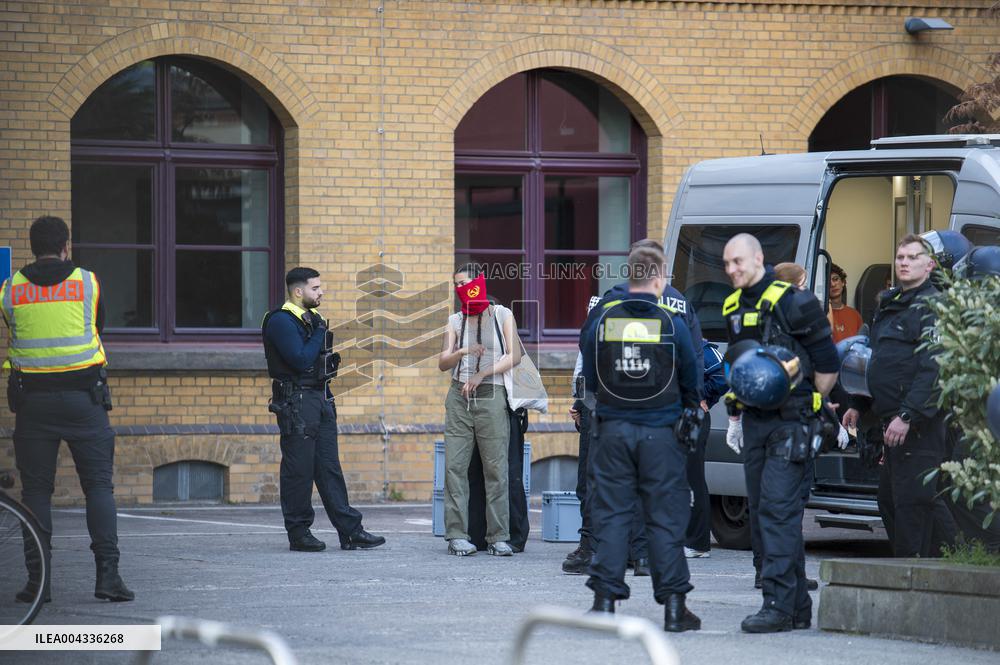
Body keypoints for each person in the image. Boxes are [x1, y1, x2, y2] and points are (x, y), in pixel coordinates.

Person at [1, 215, 133, 603]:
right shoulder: (86, 282)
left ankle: (37, 584)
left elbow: (15, 329)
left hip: (33, 404)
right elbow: (99, 324)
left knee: (36, 492)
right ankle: (108, 579)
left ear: (32, 246)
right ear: (66, 246)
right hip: (84, 402)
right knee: (98, 488)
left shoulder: (11, 289)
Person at [563, 239, 704, 576]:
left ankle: (595, 550)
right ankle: (643, 556)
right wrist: (692, 404)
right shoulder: (679, 306)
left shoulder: (610, 301)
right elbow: (694, 358)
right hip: (662, 412)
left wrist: (588, 397)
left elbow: (588, 347)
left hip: (612, 409)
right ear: (661, 270)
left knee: (604, 483)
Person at [722, 233, 839, 633]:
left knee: (777, 511)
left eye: (738, 261)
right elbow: (740, 365)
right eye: (727, 264)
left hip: (792, 423)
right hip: (754, 422)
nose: (732, 270)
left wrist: (807, 407)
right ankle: (798, 606)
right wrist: (736, 415)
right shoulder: (733, 306)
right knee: (765, 512)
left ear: (758, 258)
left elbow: (827, 364)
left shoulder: (796, 302)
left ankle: (776, 603)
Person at [842, 236, 953, 557]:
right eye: (901, 256)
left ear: (929, 265)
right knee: (891, 500)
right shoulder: (890, 304)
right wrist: (859, 405)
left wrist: (908, 416)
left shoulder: (933, 306)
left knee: (912, 503)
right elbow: (876, 359)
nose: (904, 262)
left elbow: (934, 369)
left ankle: (915, 572)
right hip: (891, 422)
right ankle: (936, 563)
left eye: (913, 257)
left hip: (917, 425)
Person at [262, 267, 385, 552]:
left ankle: (350, 531)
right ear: (298, 291)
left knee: (329, 468)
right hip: (296, 401)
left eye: (320, 287)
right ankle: (299, 533)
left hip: (320, 398)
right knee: (299, 469)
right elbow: (300, 360)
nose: (321, 292)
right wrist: (319, 331)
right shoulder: (281, 321)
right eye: (315, 288)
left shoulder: (312, 318)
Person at [438, 264, 519, 556]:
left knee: (496, 468)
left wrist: (482, 374)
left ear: (479, 282)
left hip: (491, 393)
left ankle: (498, 537)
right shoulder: (455, 320)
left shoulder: (502, 315)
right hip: (459, 396)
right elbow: (443, 362)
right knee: (454, 468)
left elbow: (515, 356)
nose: (461, 288)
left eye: (466, 282)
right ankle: (456, 535)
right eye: (457, 283)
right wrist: (460, 351)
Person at [684, 339, 727, 559]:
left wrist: (705, 397)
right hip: (672, 416)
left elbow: (723, 376)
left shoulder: (701, 347)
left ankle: (697, 542)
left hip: (692, 417)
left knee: (693, 478)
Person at [826, 264, 863, 344]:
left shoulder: (855, 314)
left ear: (843, 282)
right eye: (828, 281)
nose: (832, 284)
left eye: (835, 279)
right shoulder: (823, 314)